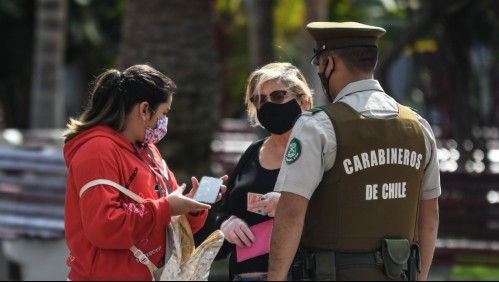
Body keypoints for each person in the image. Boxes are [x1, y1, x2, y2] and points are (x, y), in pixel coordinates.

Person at [268, 22, 441, 281]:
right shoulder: (418, 127)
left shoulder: (318, 126)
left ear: (330, 63)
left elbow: (291, 213)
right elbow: (430, 217)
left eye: (319, 63)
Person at [62, 64, 227, 281]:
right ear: (144, 109)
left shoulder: (149, 151)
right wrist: (166, 207)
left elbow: (170, 224)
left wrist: (191, 207)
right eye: (164, 113)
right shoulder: (97, 150)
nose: (165, 122)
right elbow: (103, 227)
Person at [215, 62, 314, 281]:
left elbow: (336, 211)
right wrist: (227, 222)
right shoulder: (252, 152)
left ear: (303, 101)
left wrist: (289, 205)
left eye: (278, 96)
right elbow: (224, 210)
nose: (267, 105)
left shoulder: (316, 151)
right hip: (242, 276)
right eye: (259, 99)